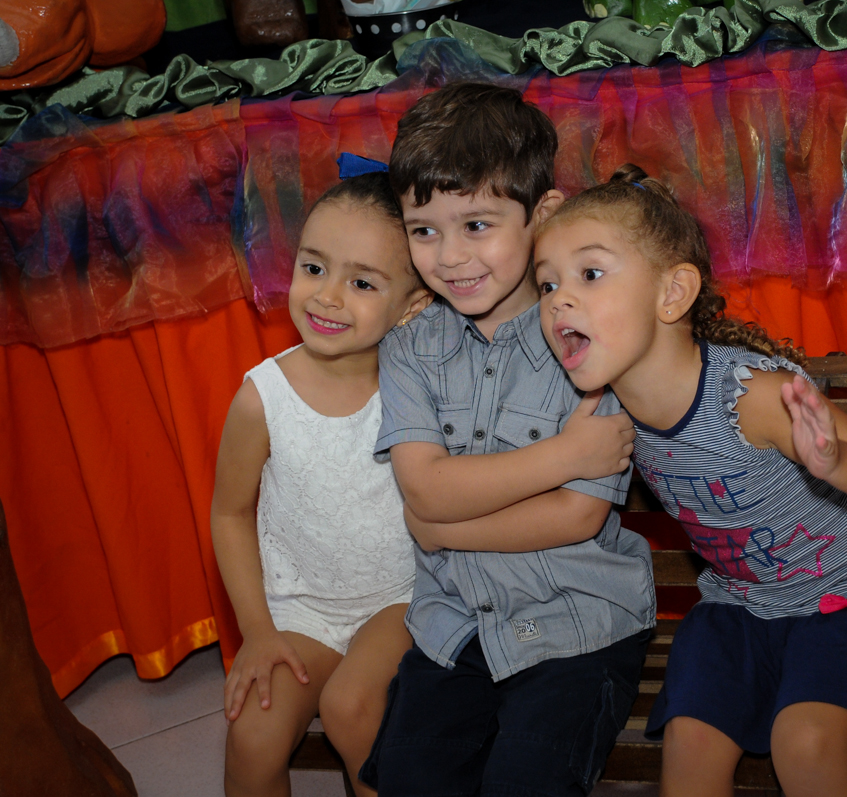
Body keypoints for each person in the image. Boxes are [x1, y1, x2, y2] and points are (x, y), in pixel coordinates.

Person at [533, 164, 847, 797]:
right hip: (740, 606)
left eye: (589, 274)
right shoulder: (605, 411)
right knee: (689, 746)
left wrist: (836, 462)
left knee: (805, 744)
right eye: (546, 285)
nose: (559, 299)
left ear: (673, 294)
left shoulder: (751, 397)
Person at [364, 83, 657, 796]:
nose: (450, 255)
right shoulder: (409, 350)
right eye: (424, 228)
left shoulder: (590, 338)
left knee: (525, 782)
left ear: (542, 213)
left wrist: (440, 523)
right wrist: (563, 456)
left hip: (579, 622)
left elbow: (575, 516)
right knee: (410, 780)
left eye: (477, 224)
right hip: (453, 627)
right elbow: (424, 490)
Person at [211, 170, 433, 797]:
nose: (328, 296)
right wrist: (257, 631)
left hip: (400, 599)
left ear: (412, 305)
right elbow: (229, 514)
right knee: (251, 737)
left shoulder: (417, 389)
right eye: (314, 268)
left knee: (353, 708)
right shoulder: (262, 398)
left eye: (362, 282)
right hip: (297, 611)